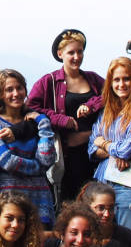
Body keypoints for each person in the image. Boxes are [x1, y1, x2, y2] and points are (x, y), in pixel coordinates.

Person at [28, 29, 105, 201]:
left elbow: (111, 94)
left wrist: (91, 106)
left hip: (95, 155)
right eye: (71, 52)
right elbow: (31, 107)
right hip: (67, 158)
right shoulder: (49, 81)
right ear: (60, 53)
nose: (76, 57)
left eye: (80, 51)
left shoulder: (93, 79)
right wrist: (60, 119)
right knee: (68, 205)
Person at [0, 69, 57, 225]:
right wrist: (38, 168)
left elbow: (47, 157)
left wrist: (43, 121)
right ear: (0, 94)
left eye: (19, 88)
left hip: (39, 195)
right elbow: (5, 160)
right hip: (6, 194)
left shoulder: (35, 119)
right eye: (9, 89)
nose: (16, 93)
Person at [87, 56, 131, 235]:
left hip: (127, 188)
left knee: (128, 244)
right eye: (116, 79)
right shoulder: (105, 113)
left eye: (126, 79)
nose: (121, 84)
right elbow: (91, 149)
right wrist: (113, 152)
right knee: (101, 246)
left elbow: (126, 150)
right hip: (101, 185)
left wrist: (104, 143)